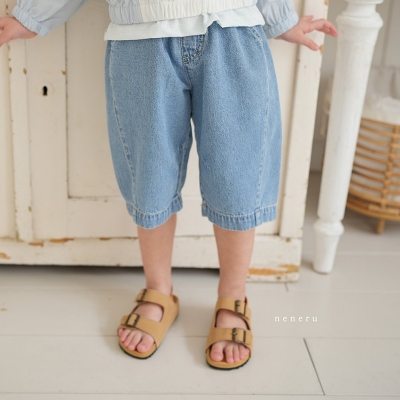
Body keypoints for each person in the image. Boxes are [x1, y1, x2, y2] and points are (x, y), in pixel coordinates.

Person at [0, 0, 337, 370]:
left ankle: (233, 295)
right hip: (140, 40)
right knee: (150, 177)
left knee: (237, 176)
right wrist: (32, 16)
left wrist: (280, 19)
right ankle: (158, 288)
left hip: (233, 32)